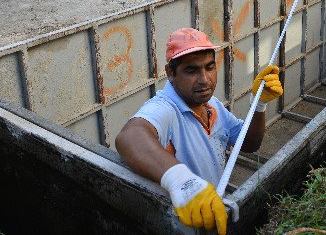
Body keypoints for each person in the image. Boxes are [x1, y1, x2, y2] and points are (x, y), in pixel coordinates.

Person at [115, 28, 283, 235]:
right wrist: (181, 181)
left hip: (211, 211)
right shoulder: (165, 109)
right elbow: (130, 136)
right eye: (191, 70)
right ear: (170, 73)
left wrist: (258, 105)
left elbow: (248, 143)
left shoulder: (211, 104)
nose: (204, 79)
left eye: (210, 67)